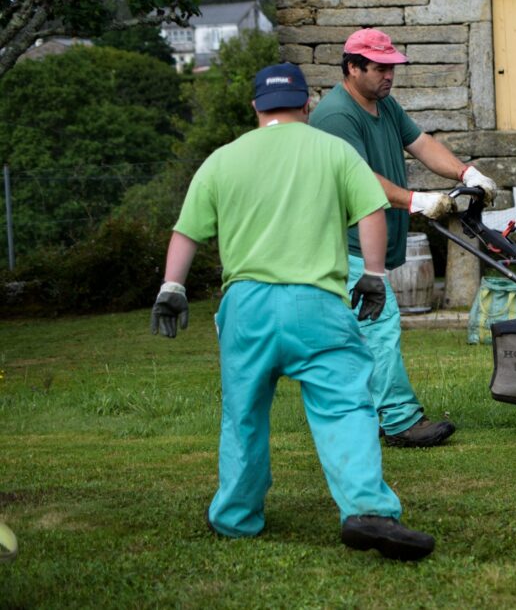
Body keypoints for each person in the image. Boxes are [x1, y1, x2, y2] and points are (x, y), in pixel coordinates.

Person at [149, 63, 435, 561]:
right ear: (306, 105)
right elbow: (372, 209)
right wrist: (373, 274)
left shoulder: (223, 159)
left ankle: (236, 518)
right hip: (317, 303)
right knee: (346, 404)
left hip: (247, 308)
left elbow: (187, 232)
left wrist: (172, 287)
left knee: (244, 413)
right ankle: (367, 510)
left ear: (256, 108)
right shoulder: (333, 151)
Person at [309, 28, 498, 448]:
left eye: (392, 67)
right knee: (380, 324)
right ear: (352, 68)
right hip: (345, 245)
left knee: (355, 336)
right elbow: (357, 179)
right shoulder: (336, 115)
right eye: (380, 68)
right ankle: (398, 420)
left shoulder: (384, 105)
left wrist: (466, 173)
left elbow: (421, 144)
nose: (389, 75)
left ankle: (357, 412)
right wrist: (415, 201)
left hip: (369, 242)